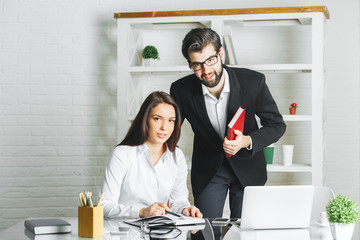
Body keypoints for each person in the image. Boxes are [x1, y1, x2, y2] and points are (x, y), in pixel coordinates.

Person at [170, 28, 286, 218]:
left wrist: (247, 140)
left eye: (210, 60)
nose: (206, 70)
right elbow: (170, 130)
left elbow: (276, 125)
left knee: (245, 231)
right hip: (208, 171)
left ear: (221, 53)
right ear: (189, 64)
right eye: (197, 65)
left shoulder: (253, 82)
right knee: (204, 231)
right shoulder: (180, 90)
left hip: (249, 169)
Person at [101, 91, 202, 218]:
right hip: (124, 231)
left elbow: (178, 201)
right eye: (157, 119)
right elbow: (104, 205)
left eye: (171, 120)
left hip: (161, 230)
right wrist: (140, 212)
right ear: (145, 119)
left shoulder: (177, 156)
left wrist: (186, 209)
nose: (164, 127)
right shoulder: (122, 154)